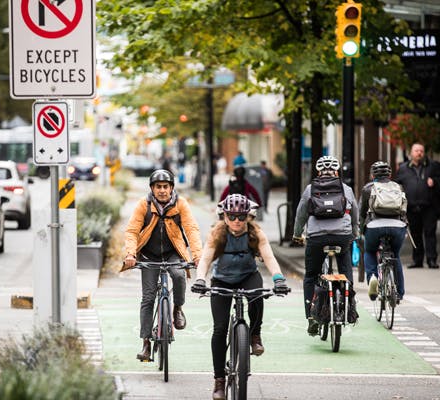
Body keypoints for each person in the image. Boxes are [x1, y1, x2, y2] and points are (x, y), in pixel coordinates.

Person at [191, 194, 288, 400]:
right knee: (219, 329)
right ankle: (219, 381)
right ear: (224, 216)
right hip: (221, 280)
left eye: (241, 217)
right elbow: (206, 257)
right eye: (232, 216)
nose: (236, 221)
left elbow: (269, 256)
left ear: (248, 217)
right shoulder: (217, 234)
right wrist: (200, 280)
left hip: (247, 276)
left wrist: (279, 279)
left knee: (258, 296)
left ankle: (254, 335)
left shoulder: (255, 233)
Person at [122, 169, 203, 361]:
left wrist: (198, 255)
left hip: (173, 252)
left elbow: (191, 229)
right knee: (148, 298)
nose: (162, 191)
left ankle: (177, 308)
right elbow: (132, 231)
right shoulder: (144, 204)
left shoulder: (181, 204)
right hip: (149, 255)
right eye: (158, 187)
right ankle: (145, 344)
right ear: (152, 188)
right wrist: (130, 254)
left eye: (165, 187)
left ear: (171, 188)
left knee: (179, 275)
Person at [292, 155, 359, 335]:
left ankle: (311, 317)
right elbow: (355, 215)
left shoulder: (309, 189)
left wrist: (297, 234)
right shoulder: (346, 189)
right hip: (342, 237)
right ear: (337, 172)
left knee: (311, 275)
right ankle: (349, 306)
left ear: (318, 172)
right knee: (345, 270)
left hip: (317, 238)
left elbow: (301, 215)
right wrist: (354, 234)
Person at [359, 161, 408, 302]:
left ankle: (372, 277)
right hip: (397, 226)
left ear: (372, 175)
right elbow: (404, 209)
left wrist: (361, 230)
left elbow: (362, 213)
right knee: (395, 255)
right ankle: (399, 292)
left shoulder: (368, 188)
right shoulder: (399, 187)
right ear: (390, 174)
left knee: (369, 251)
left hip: (374, 226)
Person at [395, 143, 440, 269]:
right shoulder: (403, 168)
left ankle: (432, 260)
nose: (419, 153)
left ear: (424, 152)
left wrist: (435, 182)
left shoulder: (433, 166)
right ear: (411, 153)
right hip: (411, 207)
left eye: (421, 150)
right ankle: (417, 260)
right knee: (415, 234)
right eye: (416, 150)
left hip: (429, 207)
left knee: (430, 234)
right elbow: (397, 186)